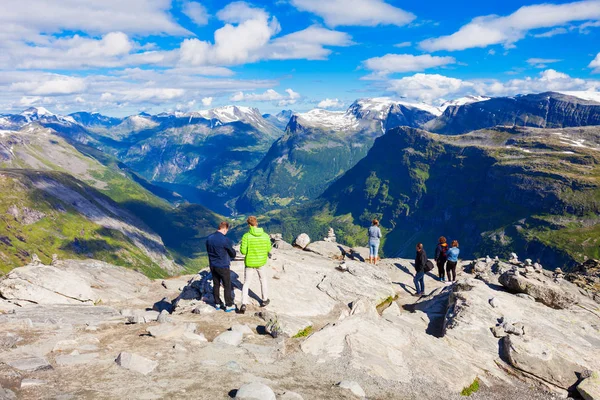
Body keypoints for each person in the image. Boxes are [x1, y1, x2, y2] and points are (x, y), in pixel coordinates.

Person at [239, 216, 272, 314]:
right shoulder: (265, 235)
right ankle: (264, 299)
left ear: (249, 225)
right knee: (263, 279)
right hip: (261, 262)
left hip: (250, 262)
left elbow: (243, 251)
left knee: (246, 283)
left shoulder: (246, 236)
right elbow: (268, 249)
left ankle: (244, 303)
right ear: (256, 223)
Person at [205, 221, 236, 312]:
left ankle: (217, 303)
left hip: (213, 265)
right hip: (223, 265)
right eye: (226, 230)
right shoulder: (224, 240)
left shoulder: (209, 238)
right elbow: (232, 253)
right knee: (227, 285)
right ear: (224, 229)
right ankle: (229, 305)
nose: (226, 232)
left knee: (216, 284)